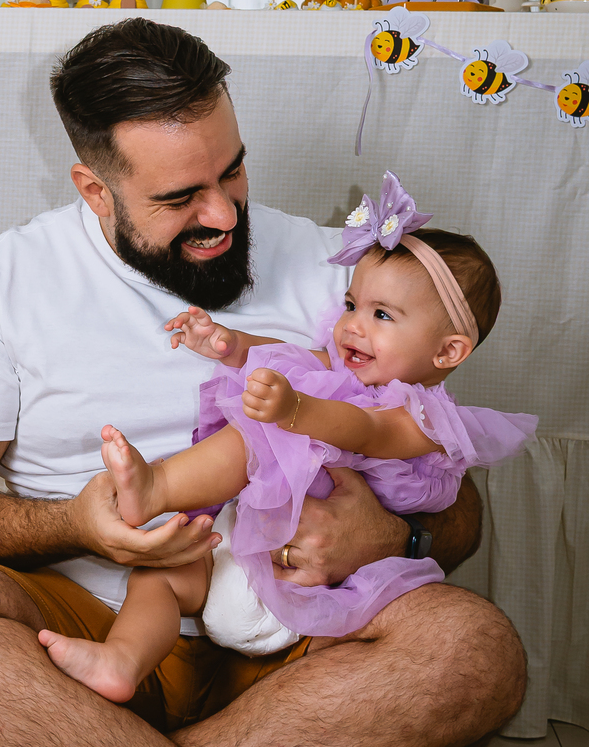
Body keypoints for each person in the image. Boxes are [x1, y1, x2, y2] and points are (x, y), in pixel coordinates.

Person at [0, 20, 527, 747]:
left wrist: (383, 533)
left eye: (233, 170)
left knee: (476, 651)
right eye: (181, 197)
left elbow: (449, 495)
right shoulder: (7, 279)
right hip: (102, 633)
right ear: (94, 187)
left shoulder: (342, 275)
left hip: (294, 639)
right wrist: (80, 522)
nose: (225, 214)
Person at [38, 170, 536, 702]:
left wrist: (295, 409)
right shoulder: (345, 370)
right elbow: (287, 355)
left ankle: (156, 487)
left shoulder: (423, 420)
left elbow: (365, 430)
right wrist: (228, 345)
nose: (353, 326)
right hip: (233, 554)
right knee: (159, 577)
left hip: (302, 592)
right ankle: (122, 660)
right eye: (351, 305)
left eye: (382, 315)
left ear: (447, 353)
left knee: (255, 437)